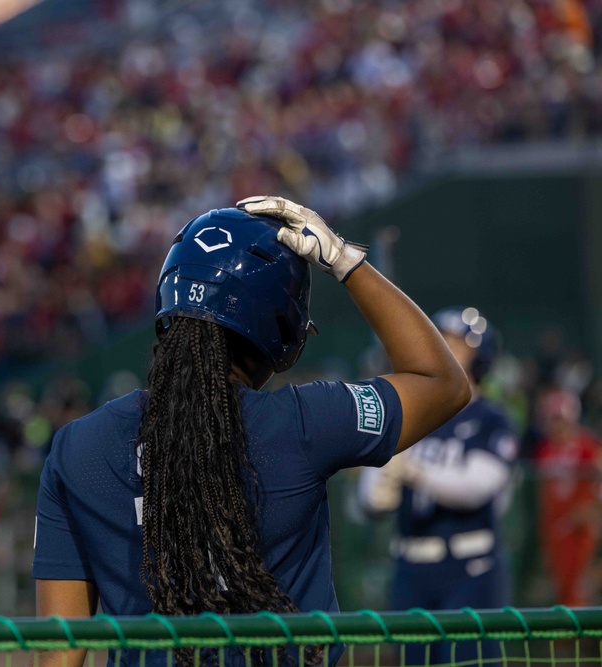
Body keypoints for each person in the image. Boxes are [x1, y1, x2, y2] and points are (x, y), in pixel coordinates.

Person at [31, 196, 471, 667]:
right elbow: (442, 383)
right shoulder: (307, 422)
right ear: (279, 325)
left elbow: (61, 652)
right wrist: (345, 261)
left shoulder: (78, 447)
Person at [359, 307, 518, 666]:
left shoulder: (490, 418)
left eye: (458, 345)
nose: (447, 352)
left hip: (470, 567)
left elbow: (476, 486)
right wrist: (379, 484)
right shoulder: (410, 414)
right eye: (440, 342)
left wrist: (411, 469)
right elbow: (369, 501)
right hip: (410, 567)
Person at [534, 388, 602, 606]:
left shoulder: (588, 447)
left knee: (580, 586)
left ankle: (580, 638)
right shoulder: (545, 450)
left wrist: (592, 512)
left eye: (561, 419)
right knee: (560, 586)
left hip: (581, 528)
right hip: (554, 527)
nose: (558, 426)